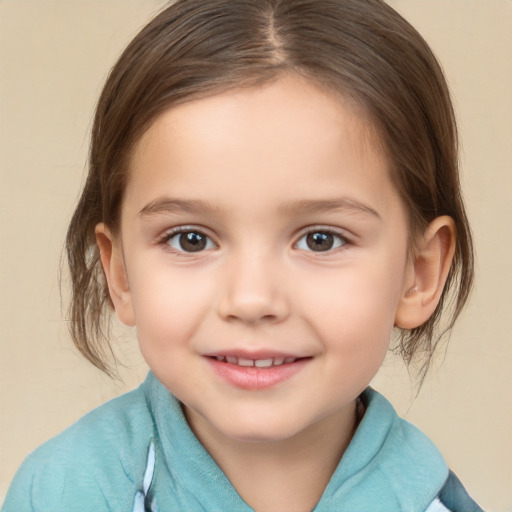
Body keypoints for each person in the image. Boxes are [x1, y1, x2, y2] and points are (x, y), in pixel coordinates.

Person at [3, 0, 483, 510]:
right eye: (191, 239)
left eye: (321, 239)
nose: (252, 299)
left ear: (420, 273)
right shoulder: (65, 493)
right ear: (119, 272)